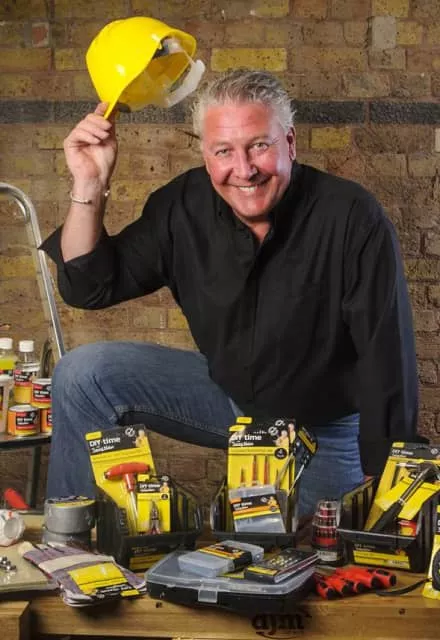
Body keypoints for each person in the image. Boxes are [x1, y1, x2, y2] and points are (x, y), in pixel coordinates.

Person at [41, 69, 424, 516]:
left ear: (290, 143)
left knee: (307, 549)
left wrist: (386, 483)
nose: (244, 170)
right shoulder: (181, 206)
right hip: (229, 398)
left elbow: (386, 356)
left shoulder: (352, 217)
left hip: (324, 427)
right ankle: (70, 540)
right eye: (224, 150)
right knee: (84, 374)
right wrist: (89, 185)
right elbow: (88, 285)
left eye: (259, 145)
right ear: (206, 155)